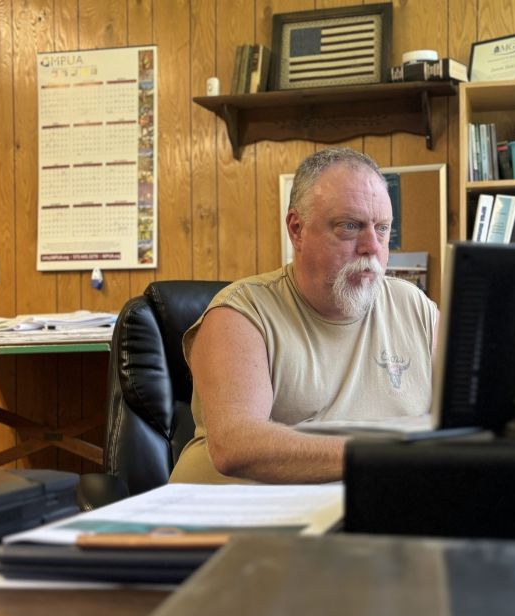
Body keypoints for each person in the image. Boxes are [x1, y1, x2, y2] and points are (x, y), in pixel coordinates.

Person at [169, 147, 439, 484]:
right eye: (350, 226)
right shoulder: (240, 313)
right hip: (233, 519)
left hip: (361, 509)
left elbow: (470, 421)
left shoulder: (415, 307)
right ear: (297, 229)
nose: (372, 246)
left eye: (382, 228)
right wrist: (386, 458)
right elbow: (236, 446)